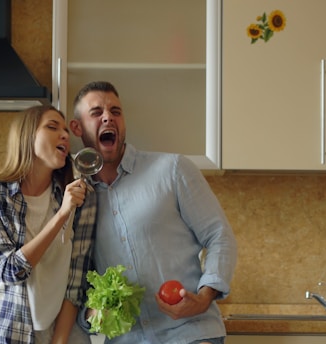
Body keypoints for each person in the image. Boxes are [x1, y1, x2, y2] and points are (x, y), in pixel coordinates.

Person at [69, 81, 237, 344]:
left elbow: (219, 236)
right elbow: (78, 277)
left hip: (190, 334)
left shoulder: (172, 170)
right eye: (96, 112)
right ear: (77, 128)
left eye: (115, 111)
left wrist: (205, 297)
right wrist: (91, 314)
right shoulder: (77, 200)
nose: (108, 117)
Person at [0, 105, 96, 344]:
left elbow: (76, 278)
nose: (65, 135)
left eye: (66, 130)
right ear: (27, 137)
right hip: (9, 334)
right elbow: (9, 270)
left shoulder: (83, 197)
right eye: (52, 127)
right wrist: (61, 215)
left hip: (67, 335)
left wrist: (59, 341)